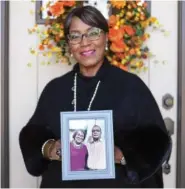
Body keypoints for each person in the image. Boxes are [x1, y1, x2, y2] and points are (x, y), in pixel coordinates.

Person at [19, 5, 171, 188]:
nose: (85, 42)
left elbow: (158, 141)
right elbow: (31, 136)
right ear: (69, 43)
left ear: (106, 37)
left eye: (93, 33)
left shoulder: (131, 86)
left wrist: (121, 155)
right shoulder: (55, 89)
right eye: (75, 36)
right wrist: (49, 148)